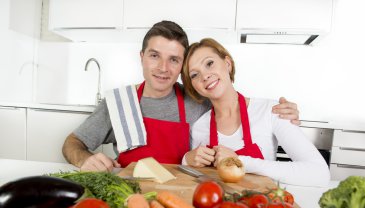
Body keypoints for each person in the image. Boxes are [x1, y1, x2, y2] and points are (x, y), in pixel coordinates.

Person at [62, 21, 300, 172]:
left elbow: (234, 104)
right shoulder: (119, 103)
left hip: (184, 198)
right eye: (155, 56)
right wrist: (83, 159)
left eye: (174, 59)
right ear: (142, 56)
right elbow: (72, 143)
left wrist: (279, 113)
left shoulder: (198, 98)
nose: (163, 68)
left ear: (182, 66)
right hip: (129, 197)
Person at [181, 38, 330, 187]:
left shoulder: (272, 111)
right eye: (194, 75)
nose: (205, 76)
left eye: (209, 63)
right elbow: (194, 182)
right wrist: (187, 160)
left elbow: (319, 174)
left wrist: (241, 162)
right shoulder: (199, 127)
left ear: (228, 63)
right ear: (193, 86)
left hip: (260, 206)